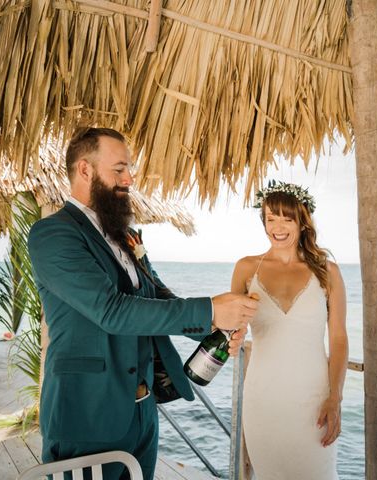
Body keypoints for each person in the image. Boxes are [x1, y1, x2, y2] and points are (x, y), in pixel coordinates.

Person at [27, 127, 257, 480]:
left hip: (143, 414)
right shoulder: (53, 234)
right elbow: (112, 311)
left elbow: (157, 295)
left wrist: (214, 325)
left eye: (129, 169)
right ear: (85, 170)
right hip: (88, 412)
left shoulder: (125, 235)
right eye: (119, 169)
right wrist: (210, 308)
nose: (129, 178)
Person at [231, 181, 348, 480]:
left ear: (302, 221)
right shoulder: (246, 268)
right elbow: (231, 326)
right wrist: (233, 334)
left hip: (313, 399)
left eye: (287, 218)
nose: (277, 227)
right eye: (271, 218)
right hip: (262, 398)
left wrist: (335, 398)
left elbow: (338, 339)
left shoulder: (327, 271)